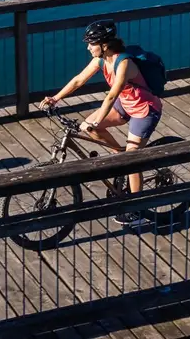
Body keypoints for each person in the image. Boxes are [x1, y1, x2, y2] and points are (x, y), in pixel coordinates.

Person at [39, 20, 163, 225]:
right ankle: (118, 155)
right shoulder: (100, 61)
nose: (88, 47)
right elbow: (79, 80)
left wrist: (96, 120)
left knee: (133, 161)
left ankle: (138, 209)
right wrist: (55, 98)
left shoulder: (124, 63)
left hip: (144, 110)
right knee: (90, 129)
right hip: (126, 104)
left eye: (91, 43)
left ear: (105, 45)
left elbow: (111, 96)